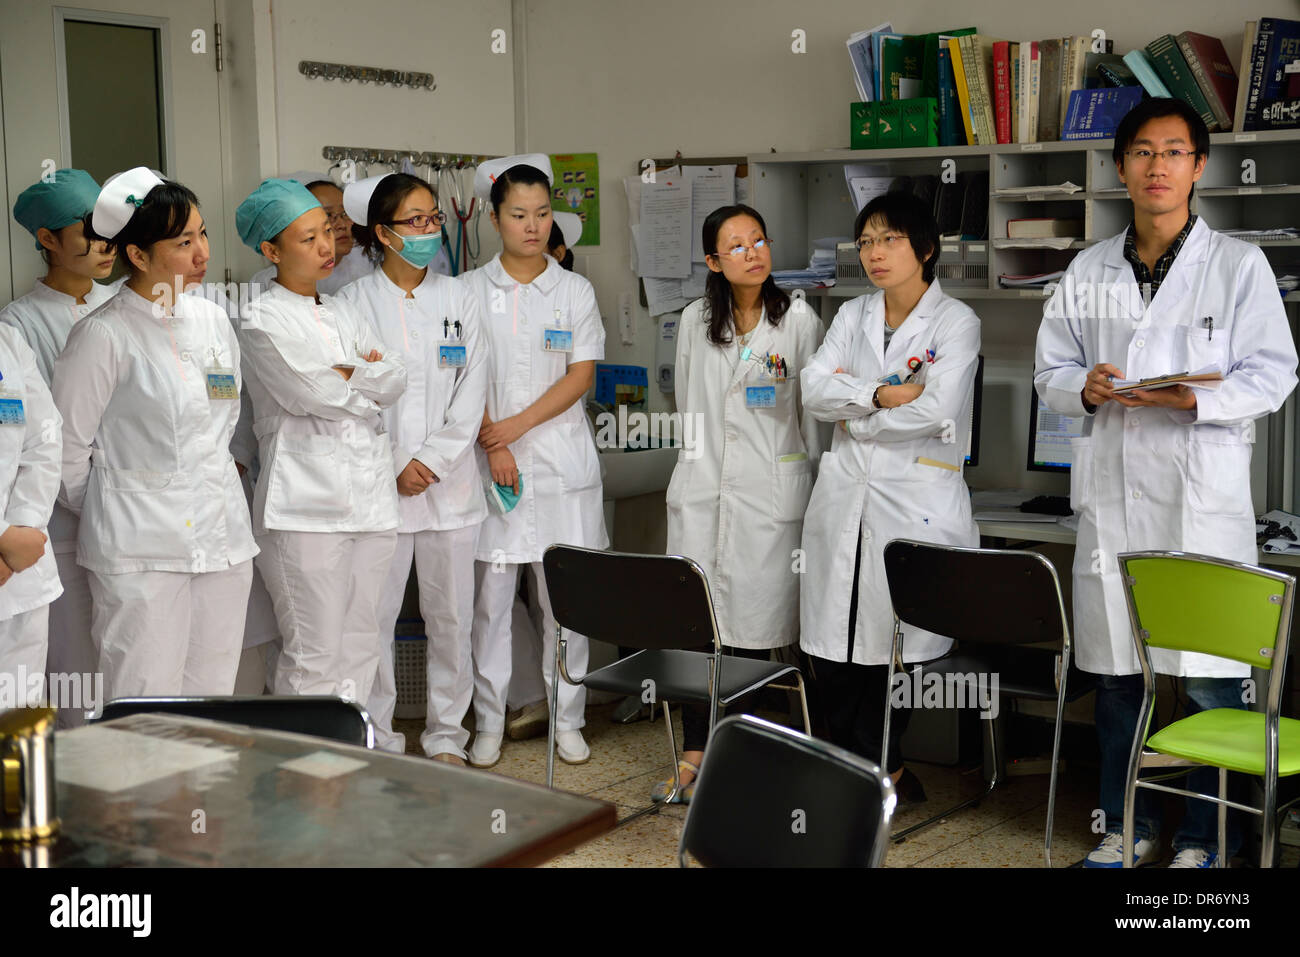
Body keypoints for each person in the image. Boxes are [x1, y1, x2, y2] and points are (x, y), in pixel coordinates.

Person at [1034, 97, 1298, 868]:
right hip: (1114, 501)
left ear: (1198, 167)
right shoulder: (1088, 267)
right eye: (1143, 152)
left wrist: (1199, 398)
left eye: (1174, 152)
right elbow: (1052, 369)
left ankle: (1207, 838)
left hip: (1200, 500)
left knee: (1213, 682)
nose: (1158, 166)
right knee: (1118, 679)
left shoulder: (1239, 266)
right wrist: (1084, 385)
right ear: (1120, 167)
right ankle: (1128, 825)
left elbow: (1275, 374)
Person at [799, 190, 981, 804]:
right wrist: (878, 396)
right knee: (835, 646)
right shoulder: (852, 315)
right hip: (845, 499)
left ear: (925, 249)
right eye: (867, 242)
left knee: (894, 651)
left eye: (890, 240)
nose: (875, 254)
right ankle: (882, 777)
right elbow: (812, 390)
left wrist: (854, 410)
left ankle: (880, 770)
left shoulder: (957, 322)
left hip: (915, 502)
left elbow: (937, 410)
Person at [54, 167, 257, 698]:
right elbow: (66, 451)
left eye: (203, 234)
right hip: (140, 552)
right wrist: (121, 503)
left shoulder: (213, 320)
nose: (201, 254)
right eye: (182, 241)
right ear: (139, 256)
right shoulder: (102, 334)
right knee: (143, 696)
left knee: (212, 694)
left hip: (221, 538)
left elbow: (226, 420)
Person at [657, 203, 826, 802]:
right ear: (713, 261)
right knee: (698, 631)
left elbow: (811, 417)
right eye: (737, 246)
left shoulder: (799, 321)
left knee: (754, 633)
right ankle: (694, 756)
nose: (753, 252)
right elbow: (686, 404)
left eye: (760, 240)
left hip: (768, 498)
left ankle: (745, 757)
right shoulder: (695, 319)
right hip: (702, 491)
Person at [461, 154, 608, 769]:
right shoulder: (468, 290)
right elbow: (461, 374)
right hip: (487, 466)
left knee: (564, 605)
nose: (532, 226)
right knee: (491, 603)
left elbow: (579, 375)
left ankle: (568, 719)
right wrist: (493, 445)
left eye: (543, 214)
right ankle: (489, 721)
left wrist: (511, 433)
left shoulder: (574, 290)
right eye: (519, 214)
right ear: (495, 219)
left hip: (557, 465)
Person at [236, 178, 406, 703]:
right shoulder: (259, 317)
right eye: (307, 238)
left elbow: (397, 377)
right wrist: (362, 380)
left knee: (362, 644)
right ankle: (308, 778)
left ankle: (349, 769)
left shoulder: (343, 309)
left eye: (327, 232)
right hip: (305, 508)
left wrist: (346, 375)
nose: (326, 246)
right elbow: (312, 392)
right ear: (271, 251)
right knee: (314, 655)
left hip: (372, 502)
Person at [336, 172, 488, 762]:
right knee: (370, 620)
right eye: (415, 221)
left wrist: (431, 459)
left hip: (450, 489)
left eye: (433, 219)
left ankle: (448, 735)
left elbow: (472, 390)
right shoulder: (352, 304)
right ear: (383, 233)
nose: (428, 231)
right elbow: (352, 398)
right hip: (382, 487)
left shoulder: (460, 298)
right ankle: (382, 737)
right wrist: (397, 462)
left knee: (450, 617)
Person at [1, 169, 114, 725]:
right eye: (87, 230)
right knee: (73, 672)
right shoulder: (18, 323)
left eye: (110, 228)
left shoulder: (130, 306)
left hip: (134, 515)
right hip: (58, 528)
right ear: (47, 240)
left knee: (125, 665)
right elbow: (45, 437)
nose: (104, 243)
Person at [0, 325, 62, 702]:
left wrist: (21, 531)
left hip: (19, 573)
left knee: (17, 722)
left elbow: (44, 439)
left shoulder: (7, 340)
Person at [249, 172, 371, 295]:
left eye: (345, 213)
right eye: (327, 215)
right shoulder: (262, 284)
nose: (342, 225)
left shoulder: (365, 271)